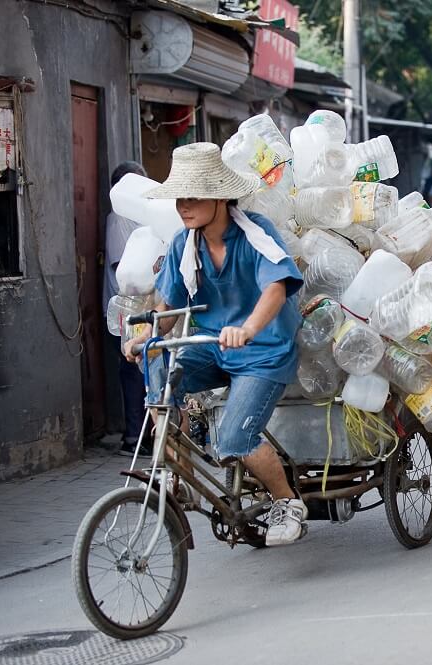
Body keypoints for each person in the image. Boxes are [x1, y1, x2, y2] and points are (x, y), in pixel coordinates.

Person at [124, 142, 307, 546]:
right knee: (157, 356)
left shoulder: (254, 233)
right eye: (179, 199)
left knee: (234, 439)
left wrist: (249, 328)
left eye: (193, 197)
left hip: (263, 352)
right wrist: (146, 334)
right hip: (212, 347)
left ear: (220, 197)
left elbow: (276, 288)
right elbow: (169, 305)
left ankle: (287, 502)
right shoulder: (182, 245)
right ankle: (178, 469)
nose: (183, 207)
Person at [105, 161, 152, 457]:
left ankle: (145, 433)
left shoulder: (137, 216)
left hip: (145, 305)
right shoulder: (118, 219)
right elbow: (125, 269)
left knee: (145, 367)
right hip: (127, 307)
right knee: (133, 369)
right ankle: (133, 438)